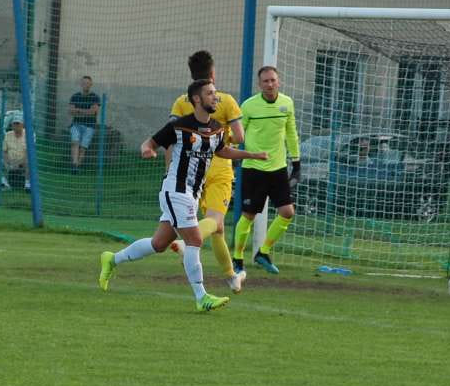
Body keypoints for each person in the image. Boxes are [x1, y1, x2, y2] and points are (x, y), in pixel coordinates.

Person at [98, 79, 267, 312]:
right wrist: (147, 150)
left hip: (191, 193)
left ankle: (112, 259)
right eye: (210, 94)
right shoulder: (179, 127)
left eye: (215, 93)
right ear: (197, 99)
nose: (215, 97)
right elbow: (150, 142)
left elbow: (222, 150)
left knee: (159, 243)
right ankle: (201, 296)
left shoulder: (217, 127)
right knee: (195, 240)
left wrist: (252, 155)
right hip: (176, 190)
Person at [167, 51, 247, 294]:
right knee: (215, 222)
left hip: (191, 170)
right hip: (219, 168)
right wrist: (221, 137)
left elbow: (171, 139)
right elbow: (240, 137)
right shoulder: (225, 100)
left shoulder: (183, 101)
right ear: (212, 74)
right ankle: (184, 242)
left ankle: (232, 276)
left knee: (218, 228)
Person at [231, 66, 300, 275]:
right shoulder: (249, 106)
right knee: (248, 215)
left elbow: (291, 132)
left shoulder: (287, 103)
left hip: (278, 168)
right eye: (265, 81)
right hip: (254, 168)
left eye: (273, 80)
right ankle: (238, 258)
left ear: (278, 81)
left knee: (287, 212)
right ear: (259, 85)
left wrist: (296, 163)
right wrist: (233, 160)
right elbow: (237, 135)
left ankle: (264, 251)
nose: (270, 84)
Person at [0, 112, 30, 190]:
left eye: (18, 123)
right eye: (14, 124)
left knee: (29, 162)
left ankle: (27, 184)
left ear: (23, 125)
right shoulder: (8, 135)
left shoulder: (28, 134)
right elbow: (4, 152)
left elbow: (29, 153)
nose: (15, 126)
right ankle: (4, 183)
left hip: (23, 161)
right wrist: (8, 163)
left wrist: (19, 163)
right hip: (10, 161)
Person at [68, 75, 100, 174]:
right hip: (76, 124)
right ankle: (74, 165)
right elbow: (71, 111)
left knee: (83, 147)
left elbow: (94, 112)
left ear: (91, 84)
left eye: (88, 83)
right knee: (75, 142)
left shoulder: (95, 97)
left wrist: (78, 110)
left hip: (90, 125)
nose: (85, 85)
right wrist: (86, 111)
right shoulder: (75, 96)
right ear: (81, 84)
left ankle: (77, 167)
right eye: (84, 83)